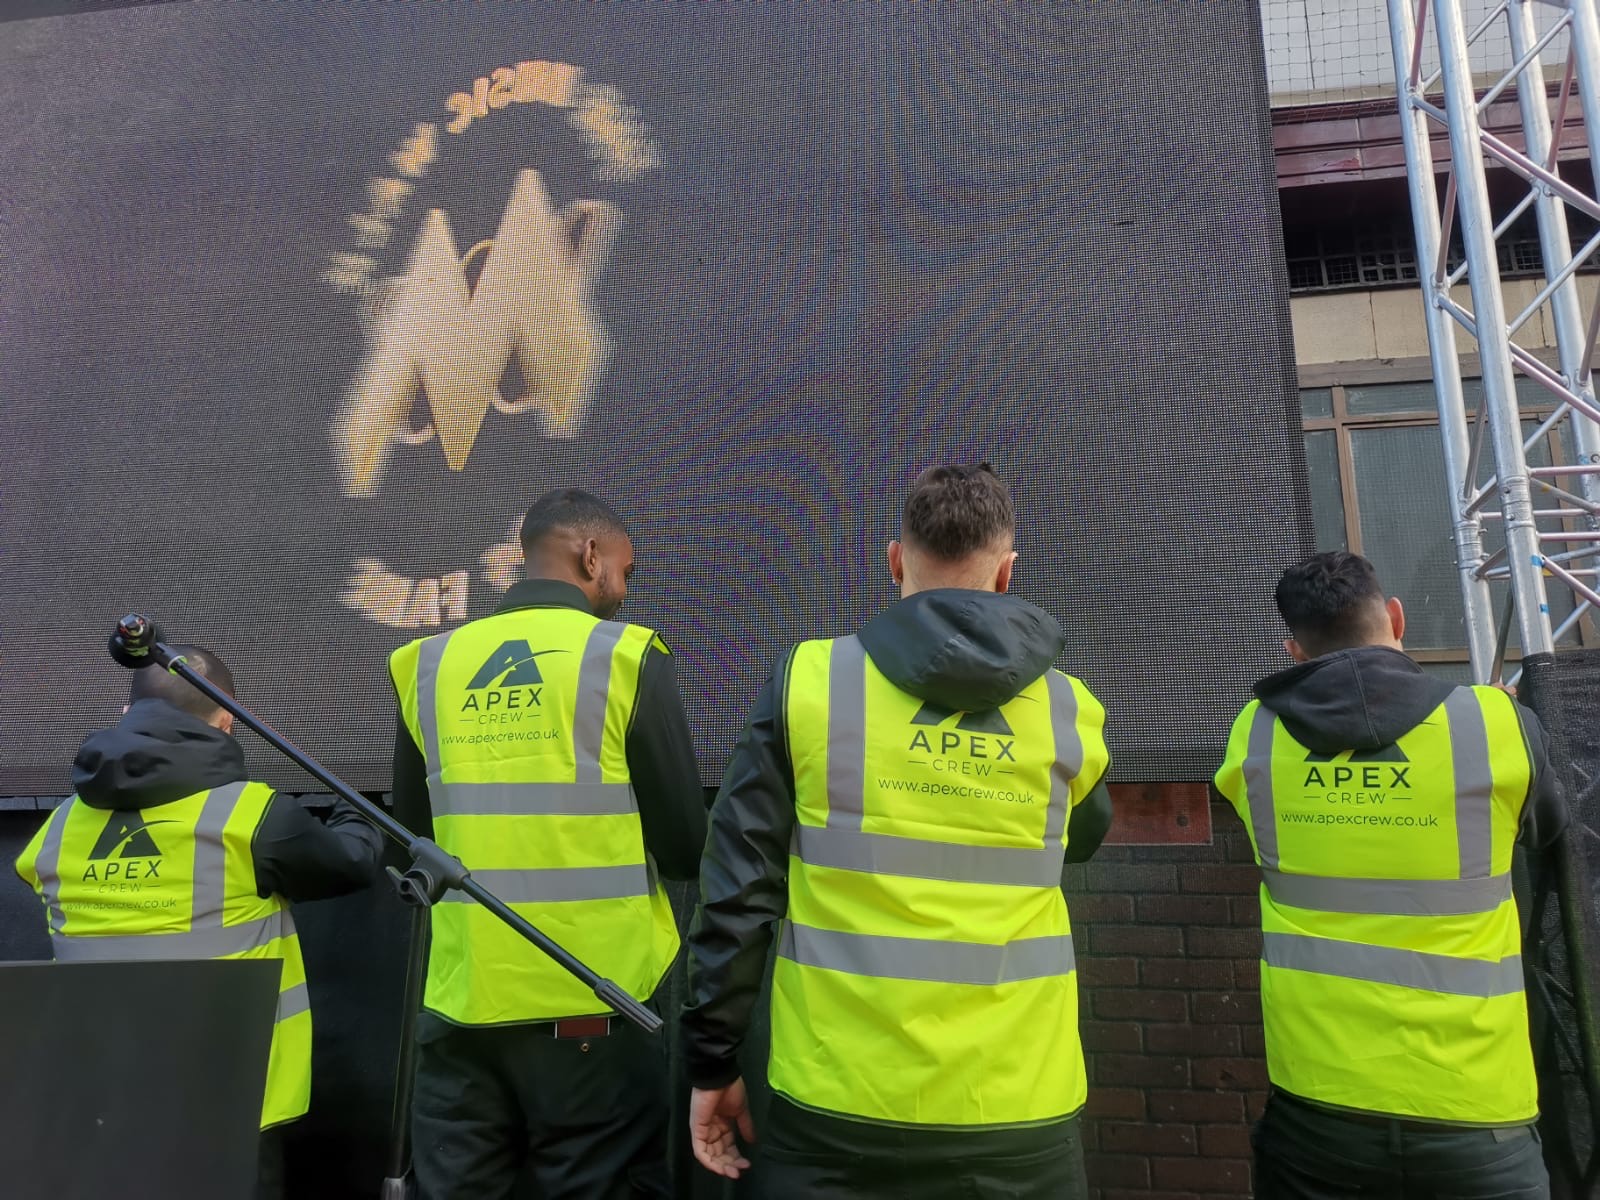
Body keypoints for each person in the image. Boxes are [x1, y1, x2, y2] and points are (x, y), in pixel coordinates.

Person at [681, 462, 1114, 1199]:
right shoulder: (1067, 709)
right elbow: (1084, 838)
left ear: (894, 561)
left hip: (833, 1107)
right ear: (1007, 572)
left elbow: (737, 895)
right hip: (1017, 1109)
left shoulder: (809, 683)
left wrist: (711, 1061)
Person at [1213, 551, 1567, 1199]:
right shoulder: (1497, 724)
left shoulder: (1254, 734)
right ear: (1396, 618)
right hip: (1478, 1110)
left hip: (1317, 1109)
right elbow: (1545, 831)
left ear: (1295, 649)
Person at [389, 486, 707, 1200]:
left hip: (463, 1007)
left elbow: (407, 842)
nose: (625, 587)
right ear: (590, 555)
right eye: (625, 569)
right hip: (596, 1004)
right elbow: (686, 846)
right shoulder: (624, 657)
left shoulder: (428, 664)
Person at [14, 646, 384, 1200]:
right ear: (227, 719)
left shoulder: (61, 826)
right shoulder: (252, 818)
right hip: (230, 1098)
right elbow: (351, 863)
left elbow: (32, 874)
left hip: (99, 1101)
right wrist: (354, 803)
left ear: (125, 712)